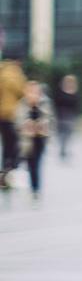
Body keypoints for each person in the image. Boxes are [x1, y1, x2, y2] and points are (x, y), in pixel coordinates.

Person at [14, 80, 54, 202]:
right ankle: (33, 188)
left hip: (40, 140)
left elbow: (50, 120)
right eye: (31, 91)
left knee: (36, 164)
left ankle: (35, 189)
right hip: (27, 141)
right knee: (30, 164)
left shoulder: (45, 104)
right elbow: (18, 122)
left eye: (35, 92)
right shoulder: (22, 105)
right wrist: (27, 126)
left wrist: (41, 126)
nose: (33, 94)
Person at [0, 59, 27, 191]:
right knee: (15, 146)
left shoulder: (1, 73)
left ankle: (4, 173)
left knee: (6, 145)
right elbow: (23, 92)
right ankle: (10, 171)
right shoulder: (17, 75)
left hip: (2, 115)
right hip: (14, 115)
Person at [53, 74, 80, 161]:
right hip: (61, 117)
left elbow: (76, 105)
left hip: (70, 117)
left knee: (68, 135)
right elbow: (56, 103)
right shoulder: (60, 92)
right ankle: (62, 149)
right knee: (61, 135)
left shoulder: (74, 93)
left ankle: (64, 149)